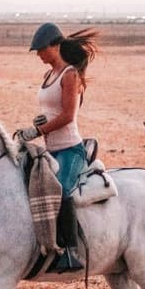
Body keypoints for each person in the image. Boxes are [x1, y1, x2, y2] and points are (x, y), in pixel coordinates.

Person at [16, 22, 100, 272]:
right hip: (50, 150)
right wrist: (39, 122)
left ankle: (72, 253)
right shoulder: (48, 75)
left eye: (41, 49)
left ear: (55, 46)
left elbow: (68, 116)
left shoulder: (70, 74)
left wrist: (38, 130)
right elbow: (53, 112)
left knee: (61, 191)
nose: (39, 54)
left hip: (70, 150)